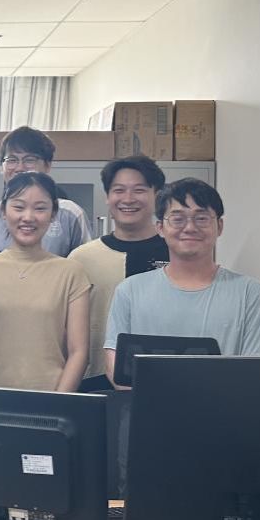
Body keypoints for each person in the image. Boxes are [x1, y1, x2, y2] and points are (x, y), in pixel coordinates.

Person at [104, 178, 260, 385]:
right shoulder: (130, 291)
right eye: (177, 219)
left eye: (201, 218)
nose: (190, 227)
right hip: (145, 406)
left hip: (227, 406)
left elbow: (257, 371)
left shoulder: (250, 294)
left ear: (219, 226)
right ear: (160, 227)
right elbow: (116, 365)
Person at [0, 173, 91, 392]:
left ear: (53, 214)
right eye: (19, 207)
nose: (28, 217)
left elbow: (79, 351)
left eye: (40, 208)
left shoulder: (71, 273)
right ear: (3, 212)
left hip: (52, 398)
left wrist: (59, 401)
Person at [68, 156, 169, 389]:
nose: (128, 199)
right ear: (107, 196)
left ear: (157, 195)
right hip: (94, 381)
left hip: (164, 379)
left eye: (139, 190)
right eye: (119, 190)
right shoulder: (81, 259)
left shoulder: (175, 253)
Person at [0, 127, 90, 260]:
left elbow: (83, 265)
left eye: (29, 160)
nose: (20, 168)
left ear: (48, 165)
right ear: (1, 167)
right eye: (12, 160)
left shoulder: (70, 214)